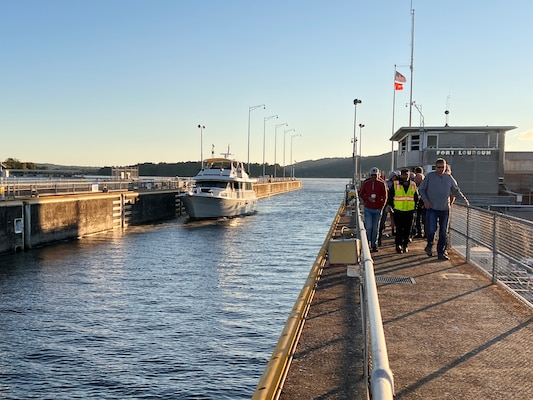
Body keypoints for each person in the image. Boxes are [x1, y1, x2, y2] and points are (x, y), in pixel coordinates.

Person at [418, 158, 469, 261]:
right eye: (439, 167)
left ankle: (441, 252)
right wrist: (425, 201)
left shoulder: (449, 178)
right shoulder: (430, 177)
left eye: (443, 167)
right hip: (432, 208)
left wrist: (464, 199)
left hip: (445, 209)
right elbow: (421, 189)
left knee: (443, 232)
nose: (441, 169)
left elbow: (455, 190)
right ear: (435, 167)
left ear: (446, 167)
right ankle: (429, 245)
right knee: (431, 229)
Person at [388, 168, 418, 253]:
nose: (405, 176)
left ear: (409, 175)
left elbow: (416, 197)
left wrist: (415, 207)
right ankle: (398, 245)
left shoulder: (413, 185)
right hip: (398, 210)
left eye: (407, 175)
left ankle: (405, 245)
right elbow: (390, 196)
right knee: (399, 229)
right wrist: (392, 207)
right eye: (404, 175)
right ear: (400, 175)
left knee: (408, 229)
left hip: (409, 211)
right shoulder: (395, 184)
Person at [359, 167, 388, 252]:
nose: (374, 177)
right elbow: (361, 193)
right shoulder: (366, 183)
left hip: (377, 209)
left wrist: (382, 206)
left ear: (378, 175)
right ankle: (367, 243)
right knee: (369, 227)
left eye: (375, 175)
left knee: (375, 228)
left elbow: (385, 196)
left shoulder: (382, 184)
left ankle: (374, 244)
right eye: (372, 175)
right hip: (368, 208)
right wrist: (368, 198)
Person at [377, 171, 398, 245]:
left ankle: (393, 230)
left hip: (394, 204)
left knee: (393, 219)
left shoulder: (397, 184)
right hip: (386, 204)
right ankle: (379, 236)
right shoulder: (386, 183)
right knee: (382, 220)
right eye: (394, 176)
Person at [413, 166, 426, 238]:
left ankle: (419, 232)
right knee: (424, 218)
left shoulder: (418, 177)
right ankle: (424, 232)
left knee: (418, 218)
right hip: (424, 201)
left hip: (420, 201)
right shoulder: (424, 178)